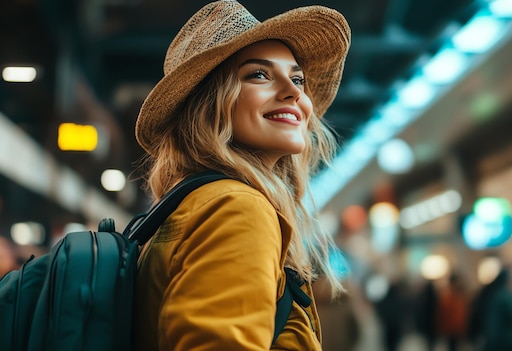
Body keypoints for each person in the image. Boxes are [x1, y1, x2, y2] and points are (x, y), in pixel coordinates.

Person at [132, 1, 351, 350]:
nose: (295, 91)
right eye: (259, 74)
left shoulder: (191, 205)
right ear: (210, 103)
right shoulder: (238, 209)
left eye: (297, 78)